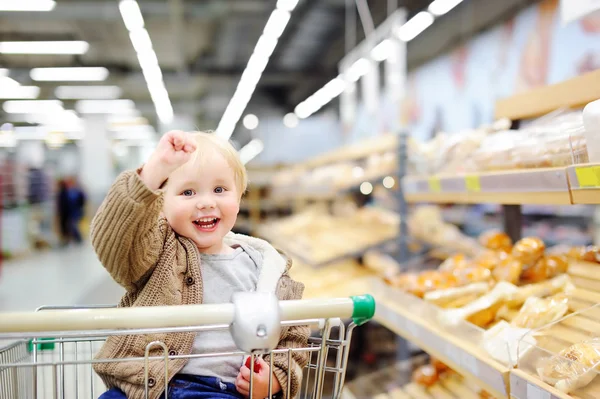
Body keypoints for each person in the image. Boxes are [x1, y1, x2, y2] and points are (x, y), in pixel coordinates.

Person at [92, 131, 309, 399]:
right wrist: (153, 173)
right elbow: (116, 240)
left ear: (239, 198)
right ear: (161, 204)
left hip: (221, 391)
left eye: (219, 190)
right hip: (144, 388)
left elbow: (294, 338)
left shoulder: (266, 267)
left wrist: (276, 378)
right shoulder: (158, 252)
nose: (206, 202)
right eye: (188, 192)